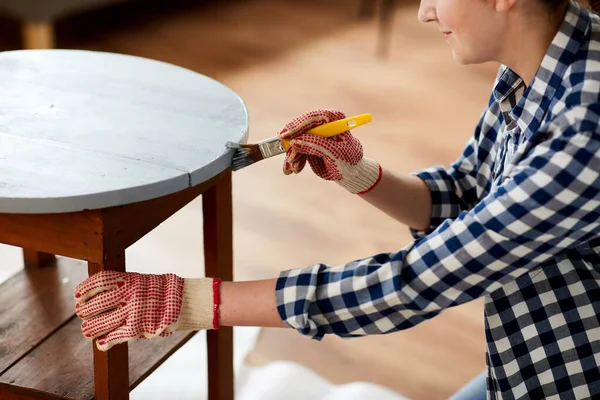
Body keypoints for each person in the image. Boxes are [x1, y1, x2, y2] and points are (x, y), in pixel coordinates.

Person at [73, 0, 600, 398]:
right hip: (532, 357)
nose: (422, 12)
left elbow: (416, 282)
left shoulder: (586, 127)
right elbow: (467, 198)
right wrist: (359, 173)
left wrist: (193, 302)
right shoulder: (535, 70)